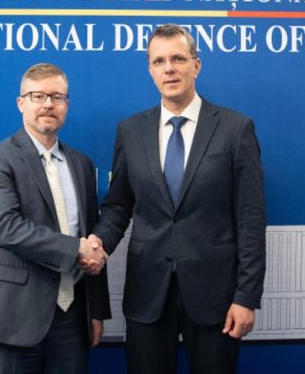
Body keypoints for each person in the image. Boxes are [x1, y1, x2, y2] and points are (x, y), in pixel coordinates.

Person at [89, 24, 266, 374]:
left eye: (178, 59)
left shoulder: (235, 129)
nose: (169, 68)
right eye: (159, 61)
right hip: (148, 292)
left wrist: (246, 297)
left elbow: (250, 218)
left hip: (216, 296)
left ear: (196, 65)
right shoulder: (130, 130)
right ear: (150, 70)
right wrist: (99, 243)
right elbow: (118, 206)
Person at [0, 63, 110, 374]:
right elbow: (6, 229)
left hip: (72, 319)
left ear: (66, 105)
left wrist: (96, 311)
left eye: (57, 97)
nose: (48, 104)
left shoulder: (82, 164)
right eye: (38, 96)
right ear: (21, 103)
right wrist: (75, 248)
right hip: (15, 316)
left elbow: (90, 235)